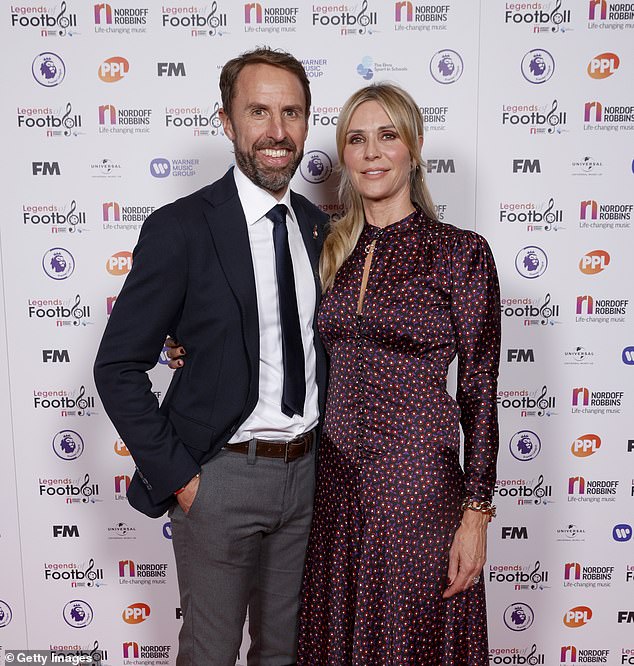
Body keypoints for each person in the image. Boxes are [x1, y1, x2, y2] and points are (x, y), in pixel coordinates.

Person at [93, 48, 328, 666]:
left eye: (292, 113)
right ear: (226, 121)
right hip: (220, 475)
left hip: (308, 478)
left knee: (285, 652)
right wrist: (182, 479)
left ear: (307, 122)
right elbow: (117, 365)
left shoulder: (319, 228)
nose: (277, 132)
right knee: (210, 651)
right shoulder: (182, 228)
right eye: (259, 112)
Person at [295, 83, 501, 664]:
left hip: (418, 497)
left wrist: (476, 515)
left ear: (413, 146)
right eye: (356, 140)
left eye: (387, 136)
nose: (372, 152)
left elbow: (480, 389)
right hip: (335, 495)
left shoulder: (459, 253)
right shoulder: (332, 250)